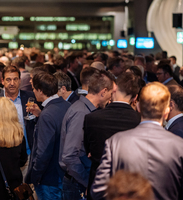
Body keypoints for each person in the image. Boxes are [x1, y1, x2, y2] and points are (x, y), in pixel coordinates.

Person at [91, 82, 183, 200]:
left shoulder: (116, 142)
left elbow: (98, 190)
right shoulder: (179, 146)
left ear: (138, 107)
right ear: (166, 111)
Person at [84, 72, 141, 200]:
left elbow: (88, 150)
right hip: (128, 187)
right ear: (135, 97)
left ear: (114, 90)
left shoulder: (92, 118)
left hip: (99, 185)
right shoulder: (140, 120)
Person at [59, 70, 115, 200]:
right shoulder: (81, 113)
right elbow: (69, 156)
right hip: (77, 184)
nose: (111, 98)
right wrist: (88, 182)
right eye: (111, 93)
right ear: (104, 91)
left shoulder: (86, 110)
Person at [25, 73, 71, 200]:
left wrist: (35, 175)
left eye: (33, 88)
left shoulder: (47, 114)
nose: (32, 91)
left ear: (40, 91)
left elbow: (43, 152)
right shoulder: (67, 105)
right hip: (64, 174)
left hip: (49, 179)